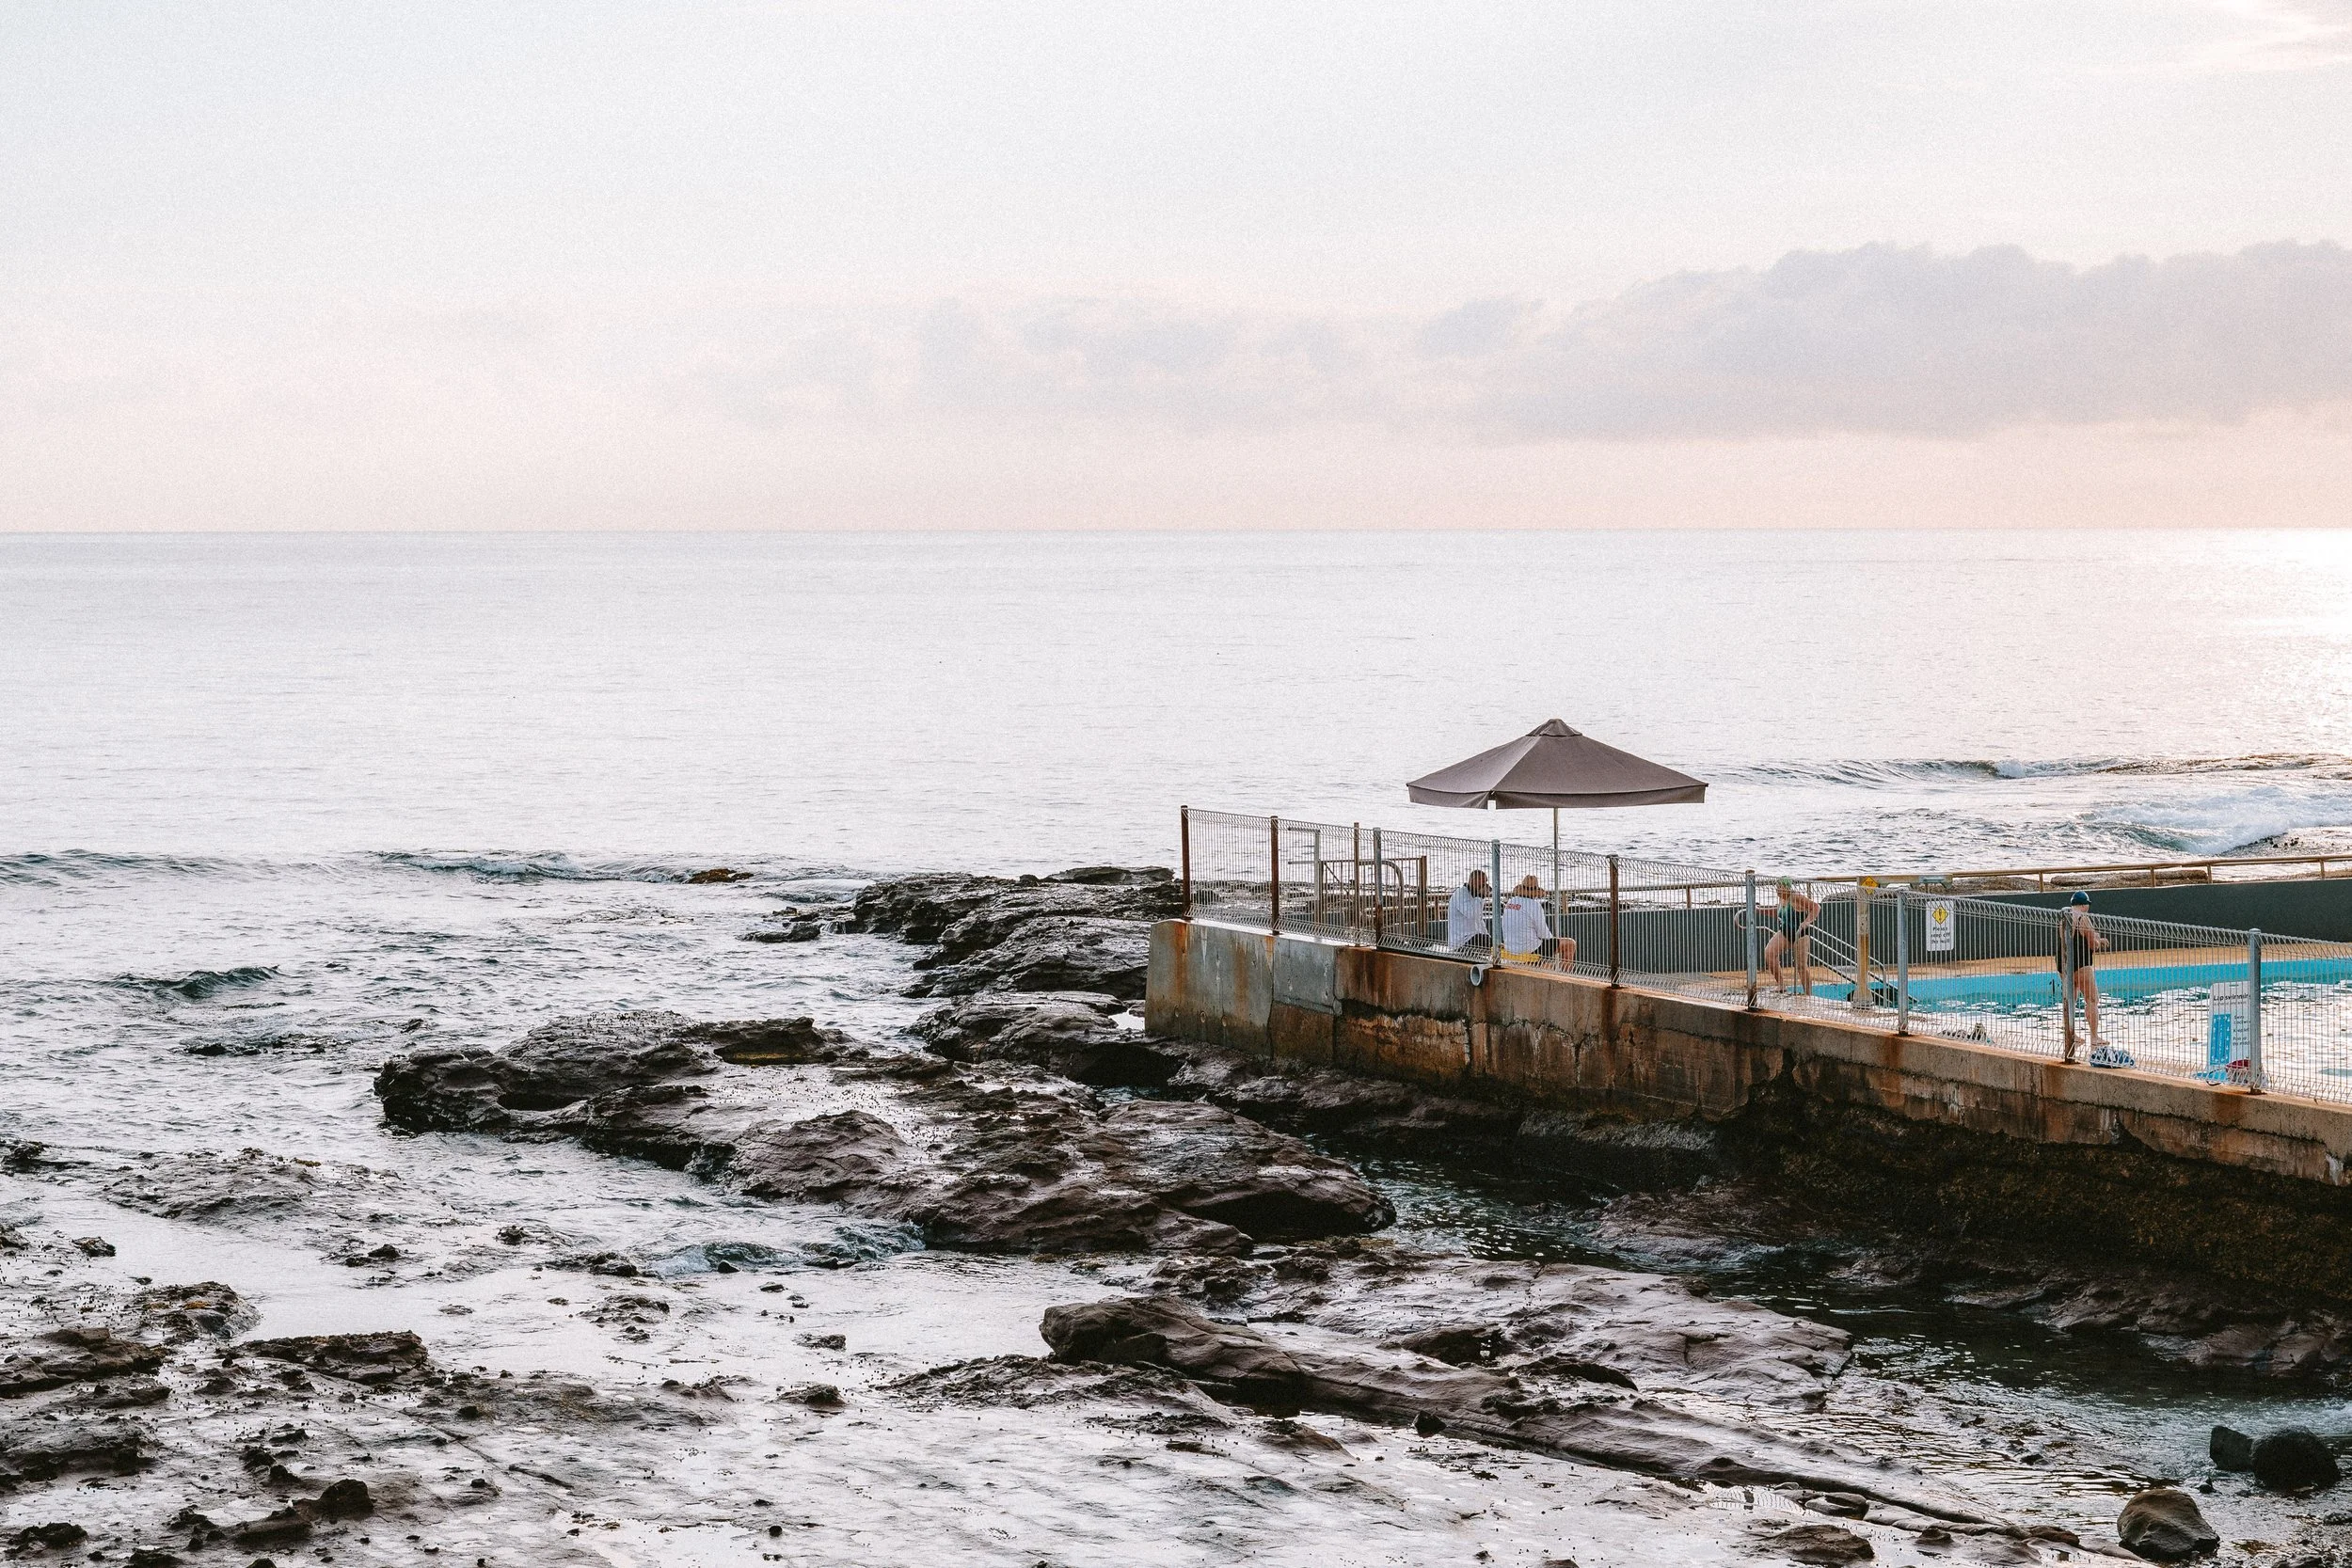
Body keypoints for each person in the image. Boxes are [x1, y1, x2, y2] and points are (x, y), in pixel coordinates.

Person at [2059, 892, 2131, 1067]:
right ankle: (2094, 1037)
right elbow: (2091, 943)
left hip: (2064, 964)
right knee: (2092, 999)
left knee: (2070, 999)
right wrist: (2099, 943)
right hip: (2082, 964)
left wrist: (2096, 937)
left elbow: (2068, 939)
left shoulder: (2064, 918)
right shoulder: (2083, 917)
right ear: (2084, 905)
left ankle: (2071, 1035)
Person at [1500, 875, 1576, 968]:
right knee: (1569, 944)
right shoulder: (1534, 905)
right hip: (1528, 949)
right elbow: (1544, 934)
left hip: (1510, 947)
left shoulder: (1510, 902)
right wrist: (1553, 940)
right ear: (1536, 891)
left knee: (1544, 947)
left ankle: (1543, 965)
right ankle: (1566, 974)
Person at [1763, 879, 1818, 994]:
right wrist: (1760, 911)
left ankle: (1808, 993)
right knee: (1769, 952)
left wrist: (1807, 922)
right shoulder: (1782, 898)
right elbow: (1778, 912)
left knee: (1801, 966)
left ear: (1787, 888)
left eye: (1780, 888)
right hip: (1785, 932)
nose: (1777, 891)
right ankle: (1781, 985)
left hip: (1800, 934)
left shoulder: (1796, 897)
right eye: (1776, 888)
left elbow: (1816, 907)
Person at [1447, 869, 1493, 954]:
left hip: (1474, 937)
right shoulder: (1461, 894)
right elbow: (1471, 914)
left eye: (1486, 882)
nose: (1485, 886)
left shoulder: (1474, 896)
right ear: (1473, 881)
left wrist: (1487, 936)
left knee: (1494, 944)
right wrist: (1480, 896)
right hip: (1461, 941)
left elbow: (1479, 919)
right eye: (1483, 883)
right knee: (1485, 942)